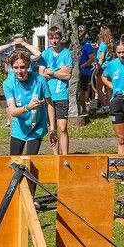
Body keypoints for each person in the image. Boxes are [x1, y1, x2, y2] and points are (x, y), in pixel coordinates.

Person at [4, 49, 56, 157]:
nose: (19, 71)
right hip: (19, 127)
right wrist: (28, 107)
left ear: (28, 65)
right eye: (15, 68)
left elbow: (50, 104)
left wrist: (52, 129)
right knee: (15, 162)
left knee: (30, 161)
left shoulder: (40, 80)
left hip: (37, 127)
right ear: (11, 68)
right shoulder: (8, 84)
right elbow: (12, 111)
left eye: (22, 67)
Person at [0, 34, 42, 128]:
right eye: (17, 44)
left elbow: (38, 54)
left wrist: (25, 44)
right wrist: (11, 44)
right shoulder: (9, 58)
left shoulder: (28, 58)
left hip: (28, 89)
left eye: (21, 44)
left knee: (29, 120)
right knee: (13, 122)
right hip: (13, 89)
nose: (19, 46)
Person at [39, 26, 74, 155]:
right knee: (52, 129)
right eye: (51, 38)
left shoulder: (66, 54)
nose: (54, 41)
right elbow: (41, 73)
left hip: (62, 95)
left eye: (57, 38)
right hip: (48, 96)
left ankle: (65, 155)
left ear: (61, 38)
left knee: (63, 127)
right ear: (48, 39)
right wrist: (60, 72)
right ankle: (55, 155)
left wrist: (52, 72)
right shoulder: (45, 54)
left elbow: (68, 75)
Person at [101, 38, 124, 154]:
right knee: (122, 139)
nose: (121, 55)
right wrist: (113, 87)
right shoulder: (112, 64)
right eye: (119, 52)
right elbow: (103, 77)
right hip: (116, 101)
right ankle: (122, 168)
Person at [94, 25, 114, 108]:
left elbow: (101, 58)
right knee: (108, 88)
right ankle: (109, 105)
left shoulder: (102, 45)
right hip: (109, 68)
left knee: (99, 88)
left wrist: (96, 69)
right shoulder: (112, 45)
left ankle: (104, 105)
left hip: (102, 69)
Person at [77, 25, 96, 114]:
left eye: (81, 32)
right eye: (79, 32)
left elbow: (92, 59)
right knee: (79, 91)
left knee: (82, 91)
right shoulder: (78, 44)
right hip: (77, 72)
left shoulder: (87, 45)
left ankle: (84, 109)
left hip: (84, 71)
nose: (80, 34)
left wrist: (82, 66)